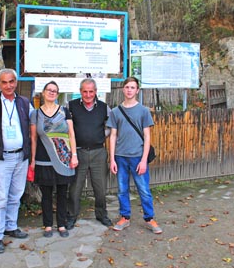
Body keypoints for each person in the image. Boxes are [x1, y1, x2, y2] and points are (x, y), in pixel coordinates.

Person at [0, 68, 34, 254]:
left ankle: (10, 226)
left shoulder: (24, 103)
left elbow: (36, 123)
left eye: (11, 81)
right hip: (1, 158)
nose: (9, 85)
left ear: (16, 82)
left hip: (21, 156)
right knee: (1, 197)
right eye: (4, 82)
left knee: (16, 194)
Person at [106, 77, 162, 234]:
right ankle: (125, 217)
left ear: (137, 90)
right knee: (122, 189)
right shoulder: (116, 112)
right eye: (127, 87)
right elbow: (113, 136)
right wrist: (112, 159)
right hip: (120, 156)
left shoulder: (143, 111)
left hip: (138, 156)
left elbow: (147, 137)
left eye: (133, 87)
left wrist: (144, 160)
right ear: (123, 89)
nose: (129, 90)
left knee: (143, 189)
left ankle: (149, 218)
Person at [30, 81, 79, 238]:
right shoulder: (35, 114)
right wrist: (32, 160)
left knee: (62, 192)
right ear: (43, 93)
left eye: (55, 91)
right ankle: (48, 225)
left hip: (64, 158)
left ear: (57, 94)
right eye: (49, 90)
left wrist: (74, 155)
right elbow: (33, 138)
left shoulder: (65, 112)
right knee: (46, 193)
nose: (51, 93)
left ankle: (62, 224)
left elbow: (71, 134)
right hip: (43, 159)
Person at [66, 78, 113, 229]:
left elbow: (111, 127)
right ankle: (71, 216)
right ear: (80, 92)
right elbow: (64, 126)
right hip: (78, 152)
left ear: (96, 92)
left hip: (98, 152)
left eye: (91, 91)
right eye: (85, 91)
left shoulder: (104, 107)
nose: (88, 95)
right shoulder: (71, 106)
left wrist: (100, 135)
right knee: (75, 188)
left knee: (100, 188)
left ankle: (101, 214)